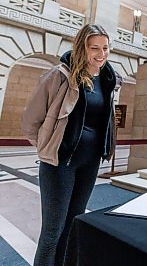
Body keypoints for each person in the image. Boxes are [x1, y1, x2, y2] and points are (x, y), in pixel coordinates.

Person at [21, 24, 120, 266]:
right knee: (53, 230)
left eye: (105, 48)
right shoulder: (60, 75)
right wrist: (48, 145)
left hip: (90, 161)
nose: (101, 53)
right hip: (60, 161)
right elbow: (30, 120)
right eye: (94, 48)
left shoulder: (108, 80)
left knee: (74, 223)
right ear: (82, 48)